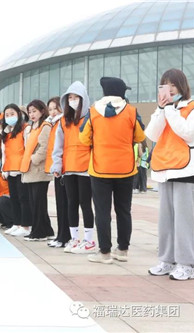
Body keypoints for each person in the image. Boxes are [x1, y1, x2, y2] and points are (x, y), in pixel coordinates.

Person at [80, 77, 145, 264]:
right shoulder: (132, 111)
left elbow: (84, 138)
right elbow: (140, 135)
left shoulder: (93, 112)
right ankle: (123, 249)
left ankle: (105, 252)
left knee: (102, 211)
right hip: (125, 169)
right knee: (124, 210)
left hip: (100, 169)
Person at [146, 68, 194, 280]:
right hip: (164, 170)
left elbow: (188, 132)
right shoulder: (164, 109)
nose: (169, 90)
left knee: (185, 221)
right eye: (165, 85)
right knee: (165, 220)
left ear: (182, 86)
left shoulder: (192, 107)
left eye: (173, 85)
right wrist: (161, 109)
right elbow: (151, 134)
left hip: (186, 170)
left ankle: (187, 264)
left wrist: (169, 111)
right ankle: (167, 260)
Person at [51, 81, 95, 254]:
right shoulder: (64, 121)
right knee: (71, 204)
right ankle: (74, 238)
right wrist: (57, 164)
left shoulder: (91, 117)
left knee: (85, 204)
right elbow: (58, 146)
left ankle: (89, 240)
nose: (73, 100)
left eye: (76, 97)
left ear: (83, 98)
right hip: (69, 168)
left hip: (85, 168)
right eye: (70, 97)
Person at [20, 100, 54, 241]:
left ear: (42, 111)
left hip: (38, 170)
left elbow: (44, 147)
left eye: (34, 111)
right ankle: (45, 230)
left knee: (38, 203)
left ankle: (38, 232)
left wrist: (34, 159)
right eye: (29, 112)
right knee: (35, 202)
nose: (32, 114)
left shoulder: (45, 126)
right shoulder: (33, 127)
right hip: (30, 170)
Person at [0, 104, 30, 237]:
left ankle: (26, 225)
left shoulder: (25, 128)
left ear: (18, 114)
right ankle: (17, 223)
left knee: (24, 198)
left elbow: (27, 148)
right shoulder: (5, 132)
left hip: (21, 168)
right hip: (10, 168)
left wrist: (25, 166)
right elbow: (4, 151)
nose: (9, 117)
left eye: (12, 114)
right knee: (15, 198)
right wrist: (3, 168)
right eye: (7, 115)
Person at [45, 97, 70, 248]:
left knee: (65, 204)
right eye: (50, 109)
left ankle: (65, 236)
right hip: (57, 168)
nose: (53, 111)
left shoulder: (63, 122)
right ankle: (60, 235)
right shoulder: (53, 124)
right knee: (60, 204)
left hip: (64, 169)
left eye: (55, 108)